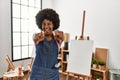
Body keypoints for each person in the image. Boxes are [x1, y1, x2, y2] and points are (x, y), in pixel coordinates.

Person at [30, 8, 64, 80]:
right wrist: (36, 38)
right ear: (40, 25)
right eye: (44, 24)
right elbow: (34, 38)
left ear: (53, 25)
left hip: (52, 75)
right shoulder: (38, 38)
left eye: (49, 24)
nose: (46, 26)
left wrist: (61, 35)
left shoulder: (58, 40)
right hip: (37, 74)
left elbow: (63, 37)